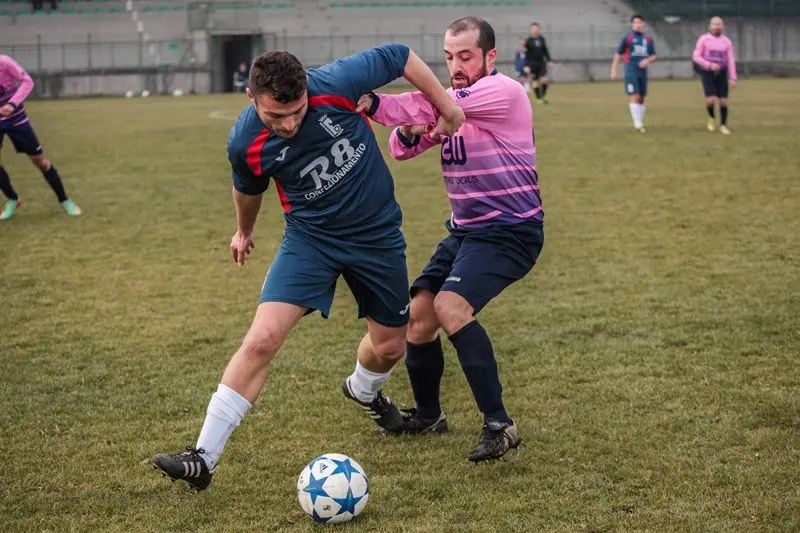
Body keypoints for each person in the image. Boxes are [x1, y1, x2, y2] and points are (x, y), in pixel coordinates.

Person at [152, 46, 465, 491]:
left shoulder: (335, 82)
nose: (290, 124)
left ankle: (363, 390)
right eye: (276, 116)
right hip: (310, 241)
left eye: (297, 111)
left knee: (391, 346)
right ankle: (203, 457)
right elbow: (248, 189)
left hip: (376, 237)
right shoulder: (245, 143)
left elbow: (401, 56)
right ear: (251, 97)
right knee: (261, 340)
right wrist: (243, 231)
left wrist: (446, 106)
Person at [358, 16, 544, 462]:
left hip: (509, 230)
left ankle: (501, 425)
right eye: (448, 57)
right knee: (420, 315)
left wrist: (371, 102)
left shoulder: (504, 93)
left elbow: (424, 109)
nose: (455, 65)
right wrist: (419, 128)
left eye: (465, 56)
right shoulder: (451, 104)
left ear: (489, 56)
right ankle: (428, 415)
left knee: (450, 307)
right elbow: (402, 148)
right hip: (465, 230)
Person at [0, 55, 81, 220]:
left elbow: (27, 82)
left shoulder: (4, 63)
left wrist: (12, 104)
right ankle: (13, 199)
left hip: (17, 121)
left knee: (41, 163)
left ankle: (65, 200)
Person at [610, 15, 656, 133]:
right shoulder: (628, 38)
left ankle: (639, 122)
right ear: (632, 24)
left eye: (639, 22)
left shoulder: (648, 39)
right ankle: (637, 123)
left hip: (643, 72)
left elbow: (654, 55)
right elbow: (617, 54)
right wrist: (613, 70)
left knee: (641, 98)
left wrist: (647, 60)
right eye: (635, 22)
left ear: (643, 24)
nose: (637, 24)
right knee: (634, 95)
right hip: (631, 70)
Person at [692, 17, 737, 135]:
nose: (717, 27)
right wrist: (709, 65)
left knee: (723, 100)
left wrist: (733, 77)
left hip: (721, 72)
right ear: (710, 26)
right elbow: (696, 56)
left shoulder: (726, 42)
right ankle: (711, 117)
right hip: (707, 72)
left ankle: (723, 125)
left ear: (723, 26)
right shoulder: (704, 39)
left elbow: (731, 59)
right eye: (715, 24)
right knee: (710, 100)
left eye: (719, 24)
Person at [524, 23, 553, 104]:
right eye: (533, 29)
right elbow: (526, 54)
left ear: (539, 29)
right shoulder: (528, 41)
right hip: (532, 64)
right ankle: (539, 98)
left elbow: (545, 50)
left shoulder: (542, 39)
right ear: (531, 30)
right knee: (535, 81)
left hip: (541, 63)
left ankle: (543, 95)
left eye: (536, 28)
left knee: (544, 80)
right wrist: (526, 65)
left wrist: (549, 60)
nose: (535, 30)